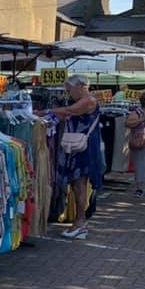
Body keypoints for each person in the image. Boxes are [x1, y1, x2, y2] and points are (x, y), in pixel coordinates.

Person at [53, 74, 102, 240]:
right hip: (77, 146)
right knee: (76, 185)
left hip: (84, 148)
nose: (68, 94)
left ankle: (80, 222)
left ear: (80, 87)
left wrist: (45, 111)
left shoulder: (89, 100)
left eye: (70, 90)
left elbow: (70, 111)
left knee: (80, 184)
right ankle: (79, 222)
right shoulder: (83, 100)